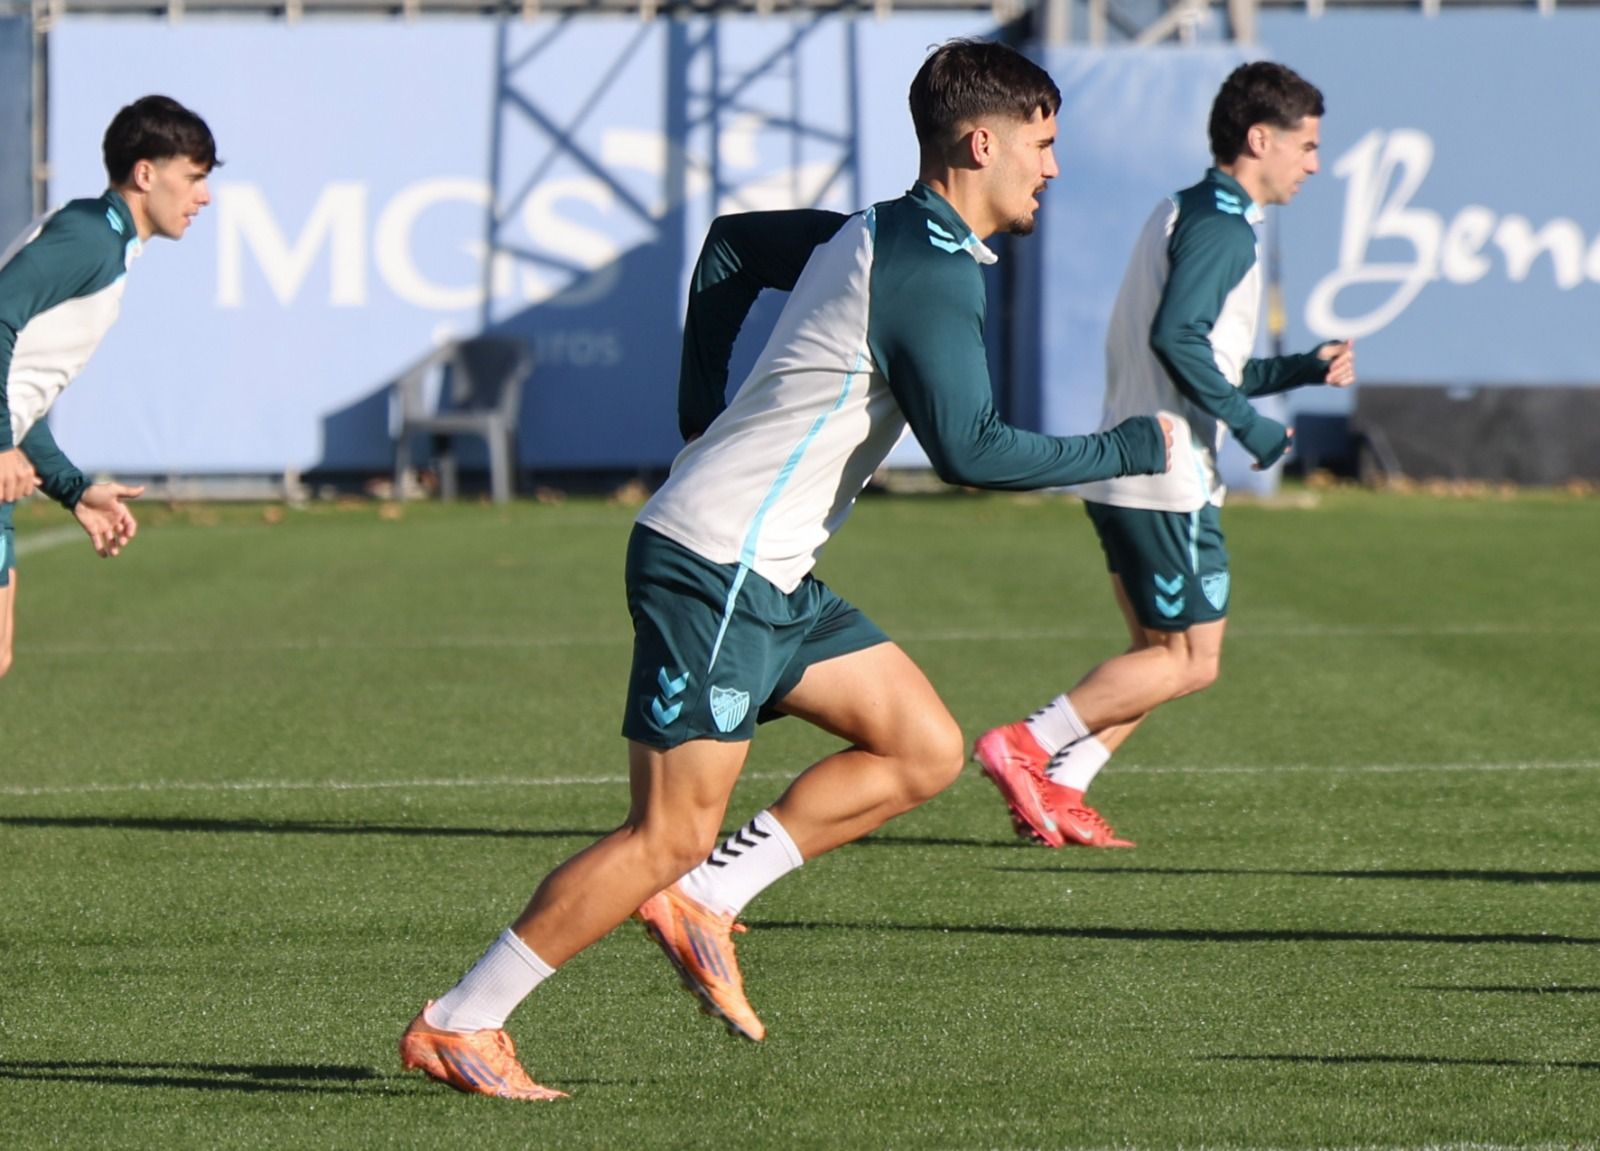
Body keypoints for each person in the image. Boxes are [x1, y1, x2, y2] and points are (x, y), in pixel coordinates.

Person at [399, 38, 1173, 1102]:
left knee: (923, 746)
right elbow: (973, 450)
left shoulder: (876, 232)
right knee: (664, 831)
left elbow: (726, 251)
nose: (1050, 167)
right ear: (979, 140)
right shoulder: (926, 268)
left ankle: (708, 898)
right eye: (1041, 145)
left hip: (763, 574)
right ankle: (463, 1020)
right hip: (716, 566)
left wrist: (698, 417)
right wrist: (1122, 450)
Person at [973, 61, 1355, 850]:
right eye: (1307, 145)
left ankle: (1057, 786)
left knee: (1157, 654)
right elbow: (1177, 338)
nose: (1314, 163)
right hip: (1167, 472)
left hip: (1127, 461)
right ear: (1260, 139)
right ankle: (1027, 745)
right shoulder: (1222, 229)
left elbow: (1207, 355)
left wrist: (1299, 369)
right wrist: (1250, 427)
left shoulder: (1188, 211)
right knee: (1190, 659)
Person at [0, 95, 219, 678]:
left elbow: (24, 391)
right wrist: (1, 445)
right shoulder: (90, 237)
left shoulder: (104, 241)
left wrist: (72, 489)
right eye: (193, 178)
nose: (205, 195)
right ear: (146, 174)